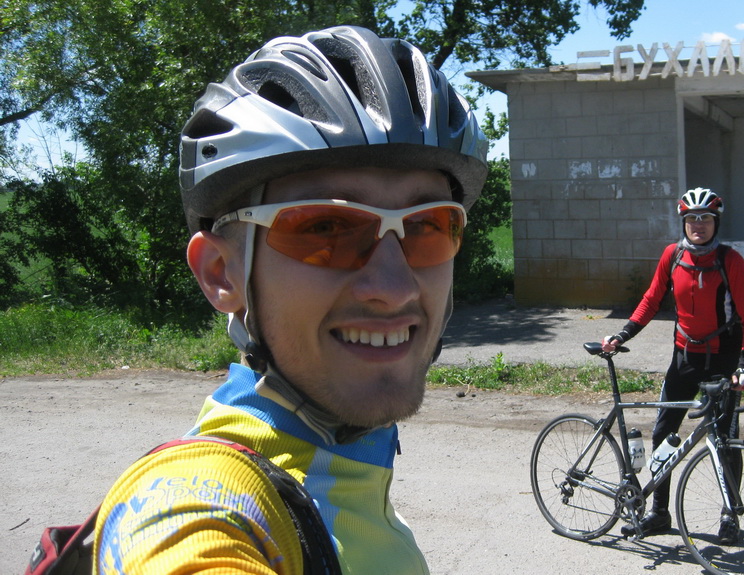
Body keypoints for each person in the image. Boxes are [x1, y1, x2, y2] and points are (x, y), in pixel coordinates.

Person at [91, 26, 488, 574]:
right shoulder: (195, 504)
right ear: (221, 273)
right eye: (326, 228)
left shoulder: (351, 473)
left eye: (428, 227)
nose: (394, 287)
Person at [601, 187, 744, 540]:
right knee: (663, 434)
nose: (698, 224)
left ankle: (730, 515)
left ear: (716, 222)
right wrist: (623, 335)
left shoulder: (730, 261)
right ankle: (659, 513)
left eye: (705, 218)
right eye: (692, 218)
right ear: (684, 222)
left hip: (723, 361)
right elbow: (651, 299)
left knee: (724, 439)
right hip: (684, 359)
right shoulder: (672, 255)